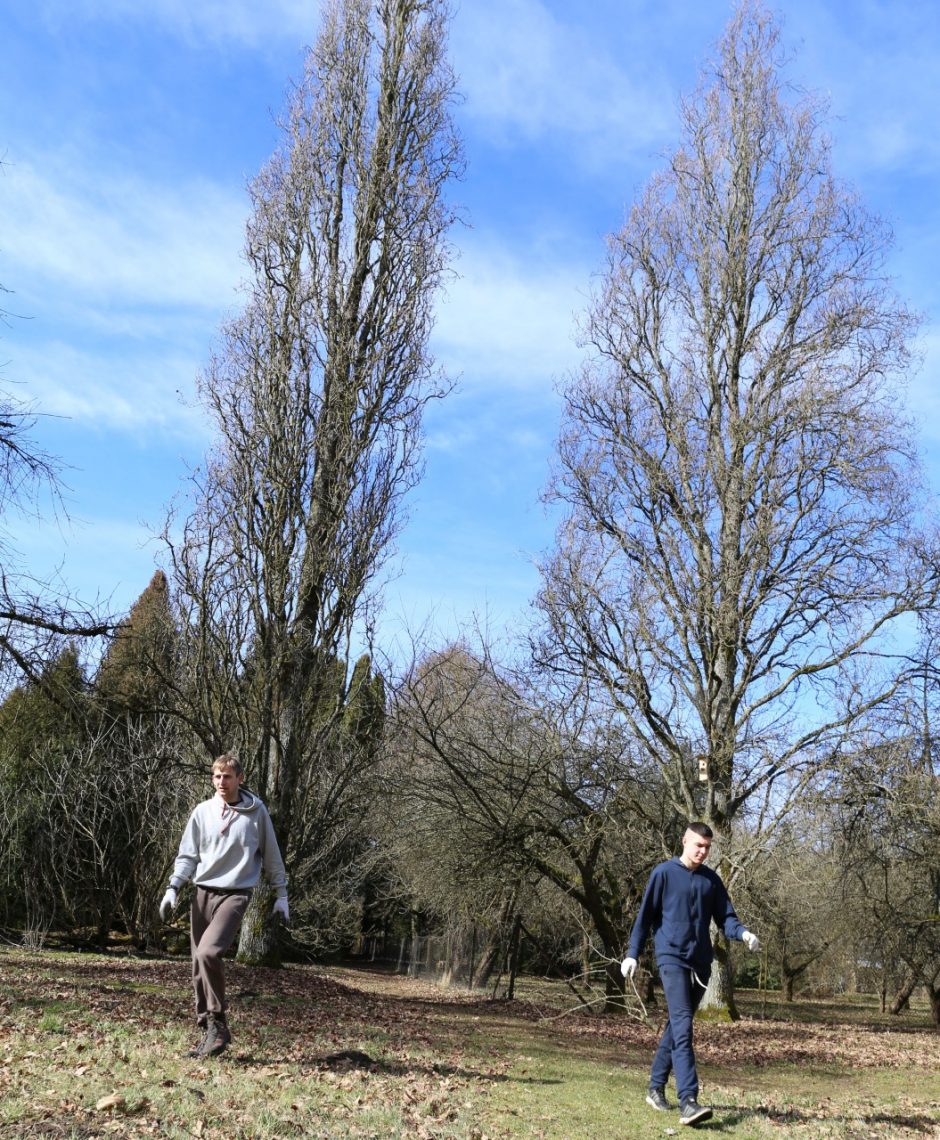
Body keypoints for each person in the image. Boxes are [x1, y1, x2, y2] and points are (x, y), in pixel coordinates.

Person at [621, 822, 759, 1127]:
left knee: (676, 1026)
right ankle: (689, 1101)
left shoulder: (711, 881)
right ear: (684, 841)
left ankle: (655, 1087)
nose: (703, 851)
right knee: (683, 1028)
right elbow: (644, 919)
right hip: (671, 959)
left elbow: (727, 918)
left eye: (707, 847)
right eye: (698, 845)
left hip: (700, 965)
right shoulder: (664, 873)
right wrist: (632, 953)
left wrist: (744, 933)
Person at [160, 753, 289, 1058]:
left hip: (236, 893)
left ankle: (219, 1023)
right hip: (202, 892)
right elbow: (188, 855)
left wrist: (281, 894)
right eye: (216, 776)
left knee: (209, 953)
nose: (221, 782)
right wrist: (173, 887)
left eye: (227, 776)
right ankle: (207, 1031)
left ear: (240, 778)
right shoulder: (203, 812)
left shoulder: (256, 813)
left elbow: (271, 857)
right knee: (196, 966)